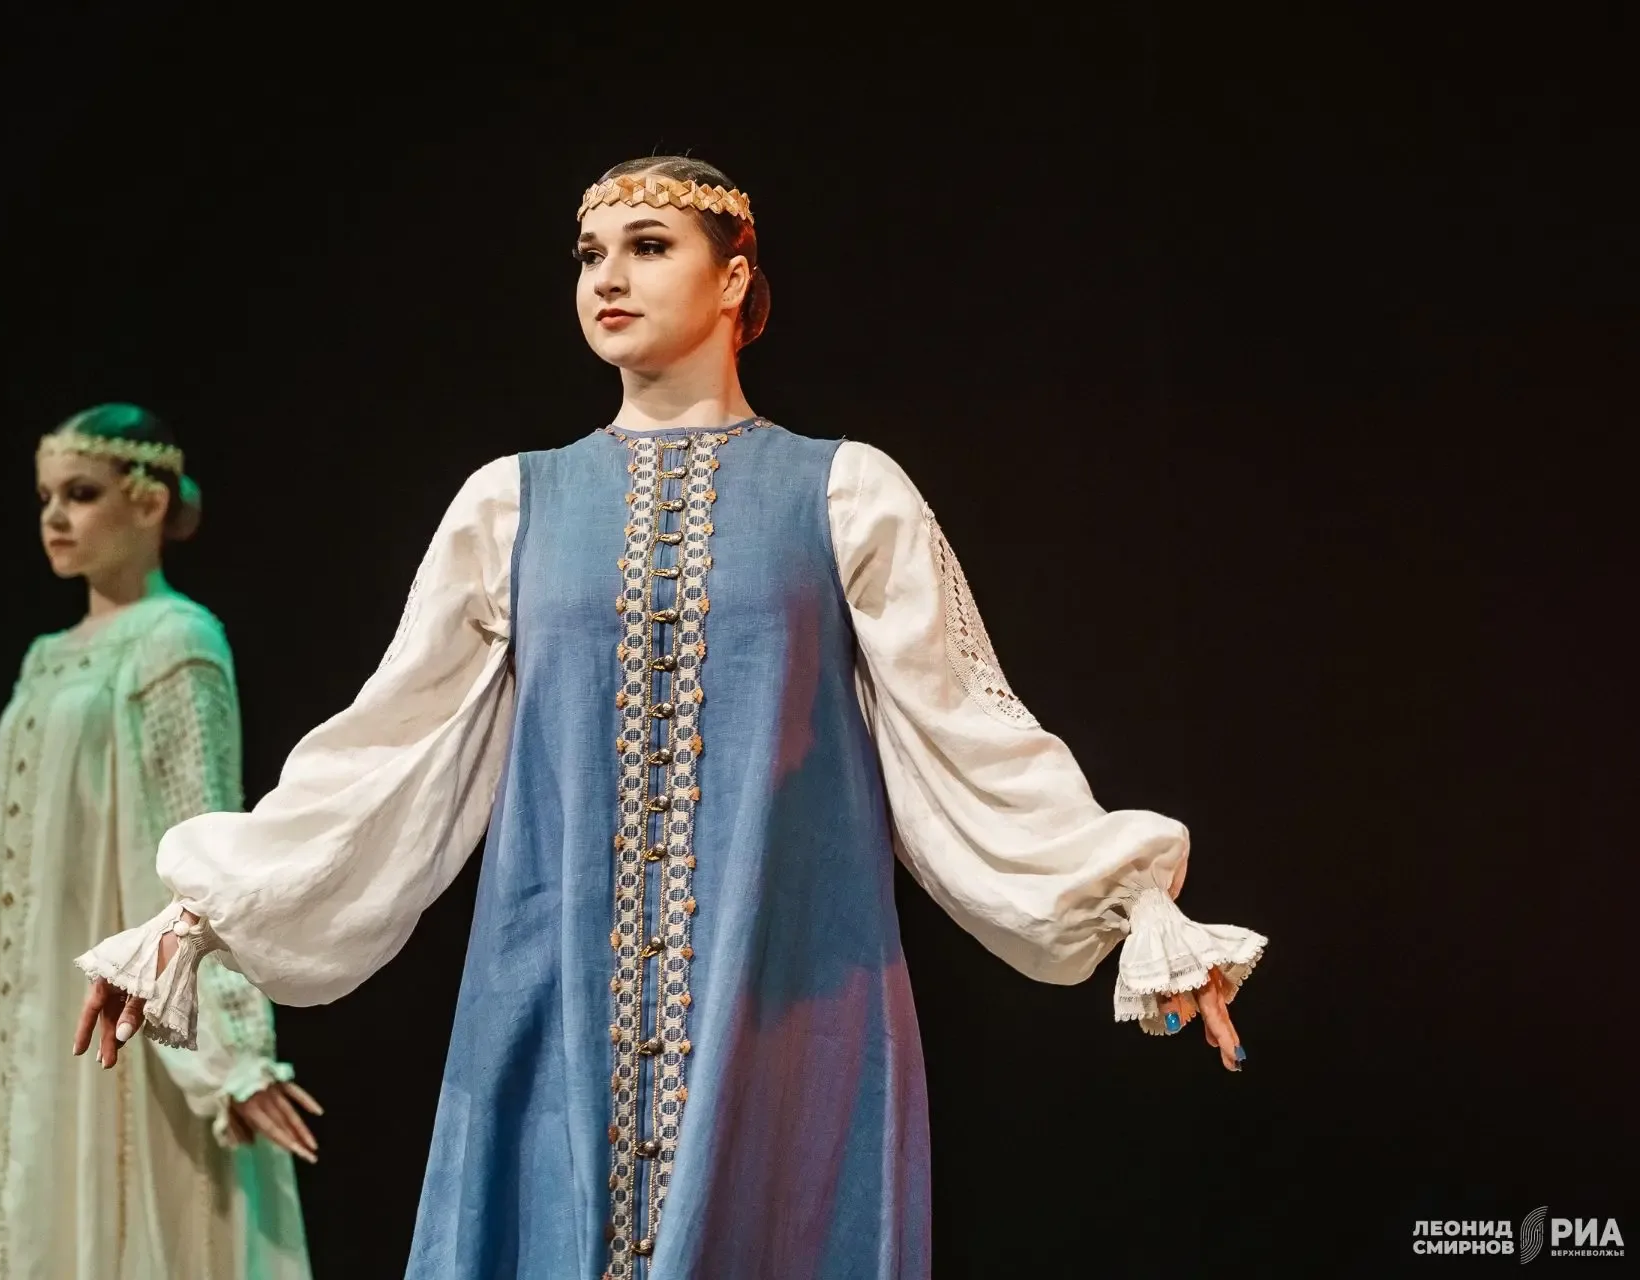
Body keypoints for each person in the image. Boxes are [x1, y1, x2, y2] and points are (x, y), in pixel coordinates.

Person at [73, 160, 1267, 1278]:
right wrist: (199, 913)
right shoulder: (510, 503)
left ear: (734, 277)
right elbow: (386, 741)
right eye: (590, 253)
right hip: (551, 996)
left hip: (786, 998)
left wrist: (1132, 899)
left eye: (648, 246)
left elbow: (971, 729)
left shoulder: (847, 490)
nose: (608, 275)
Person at [0, 405, 318, 1279]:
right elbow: (3, 895)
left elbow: (207, 852)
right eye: (47, 497)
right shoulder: (43, 659)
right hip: (29, 1028)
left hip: (129, 1029)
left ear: (149, 502)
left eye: (80, 494)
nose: (55, 516)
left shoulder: (179, 641)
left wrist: (234, 1058)